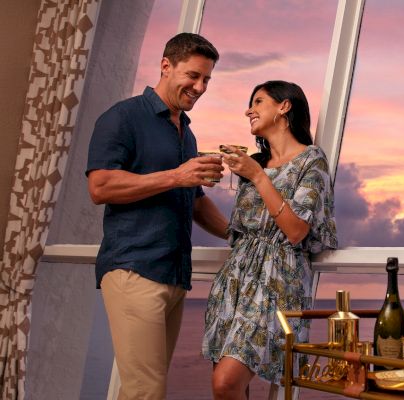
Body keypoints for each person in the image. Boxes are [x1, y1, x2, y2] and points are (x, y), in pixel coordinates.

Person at [86, 33, 228, 399]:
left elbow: (195, 203)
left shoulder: (187, 134)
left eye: (206, 80)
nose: (199, 87)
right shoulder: (123, 117)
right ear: (166, 66)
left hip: (174, 276)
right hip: (134, 269)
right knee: (146, 391)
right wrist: (178, 176)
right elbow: (100, 187)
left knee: (141, 390)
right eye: (193, 76)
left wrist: (240, 234)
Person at [202, 80, 337, 399]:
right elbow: (241, 231)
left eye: (258, 101)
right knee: (231, 387)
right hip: (234, 280)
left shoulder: (311, 161)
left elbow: (296, 230)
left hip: (276, 282)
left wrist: (257, 177)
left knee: (226, 383)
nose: (249, 110)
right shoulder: (256, 166)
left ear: (284, 106)